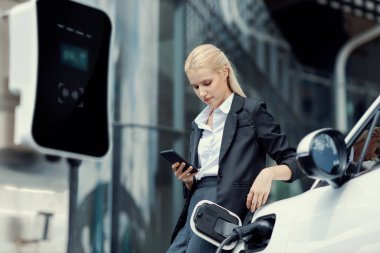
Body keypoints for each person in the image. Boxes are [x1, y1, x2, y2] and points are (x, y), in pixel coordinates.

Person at [166, 44, 304, 253]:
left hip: (223, 209)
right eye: (195, 87)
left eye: (207, 83)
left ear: (224, 72)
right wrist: (188, 180)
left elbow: (296, 161)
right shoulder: (198, 124)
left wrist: (268, 174)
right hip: (195, 206)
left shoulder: (252, 112)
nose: (202, 93)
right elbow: (204, 175)